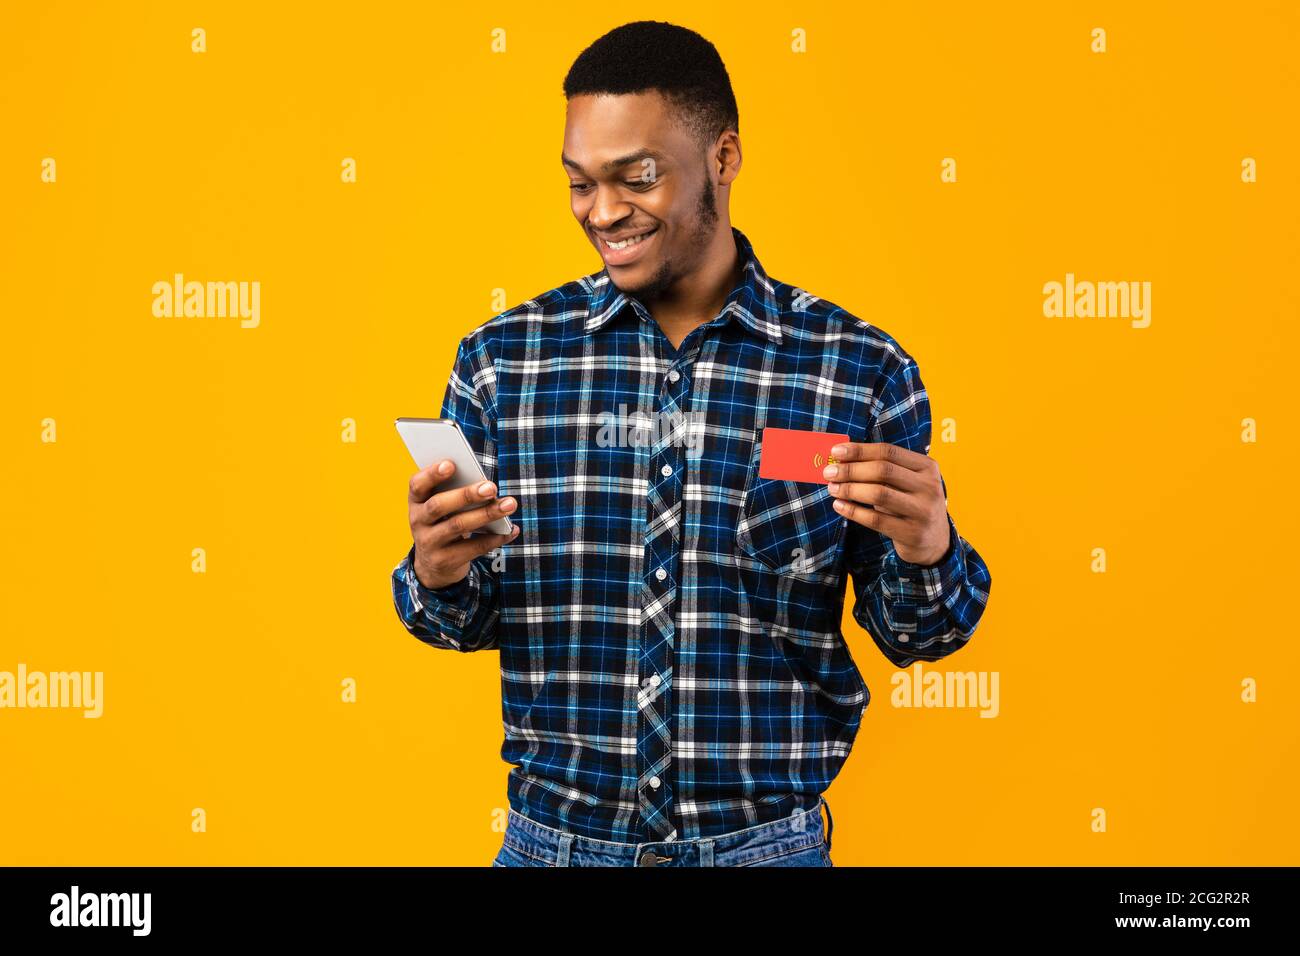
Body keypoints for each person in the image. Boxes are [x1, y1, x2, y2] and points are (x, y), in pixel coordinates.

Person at [392, 20, 992, 867]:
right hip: (550, 849)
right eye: (579, 183)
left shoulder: (856, 372)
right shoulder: (502, 363)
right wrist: (437, 571)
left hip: (765, 851)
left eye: (636, 177)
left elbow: (918, 636)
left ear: (724, 157)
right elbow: (458, 620)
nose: (603, 213)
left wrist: (929, 549)